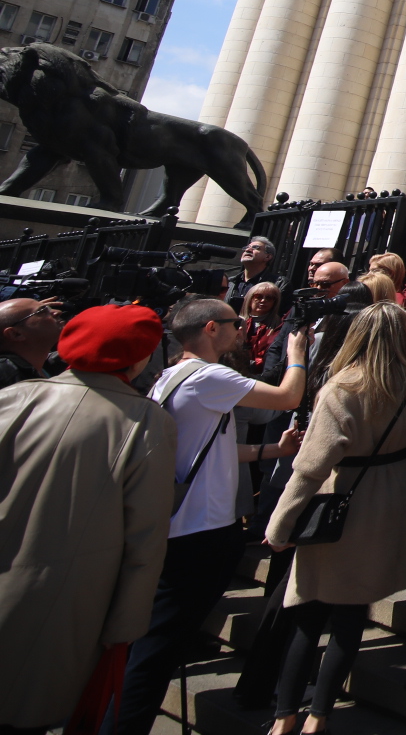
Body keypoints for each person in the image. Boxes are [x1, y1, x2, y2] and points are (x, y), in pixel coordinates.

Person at [117, 300, 311, 735]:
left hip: (178, 524)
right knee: (157, 650)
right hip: (198, 531)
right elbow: (288, 397)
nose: (241, 329)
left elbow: (206, 448)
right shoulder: (210, 375)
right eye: (234, 323)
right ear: (210, 329)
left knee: (155, 643)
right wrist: (298, 354)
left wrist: (271, 451)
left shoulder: (168, 375)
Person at [265, 303, 406, 735]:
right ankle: (319, 715)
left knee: (309, 614)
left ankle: (285, 715)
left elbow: (309, 468)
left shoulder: (341, 388)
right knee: (351, 616)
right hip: (391, 500)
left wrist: (279, 526)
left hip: (341, 498)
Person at [0, 305, 173, 735]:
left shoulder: (14, 397)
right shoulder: (147, 422)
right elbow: (146, 538)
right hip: (64, 604)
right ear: (139, 357)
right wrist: (126, 625)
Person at [0, 295, 62, 387]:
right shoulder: (6, 375)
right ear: (16, 334)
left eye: (49, 308)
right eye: (42, 311)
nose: (57, 312)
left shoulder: (51, 364)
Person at [226, 237, 287, 316]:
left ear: (267, 257)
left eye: (255, 248)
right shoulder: (231, 282)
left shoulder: (278, 283)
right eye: (246, 248)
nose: (248, 250)